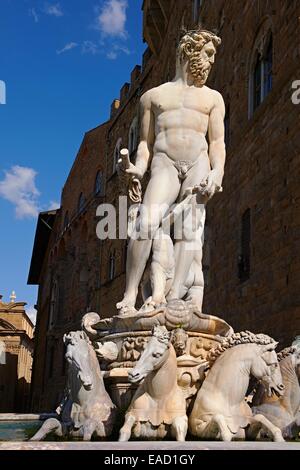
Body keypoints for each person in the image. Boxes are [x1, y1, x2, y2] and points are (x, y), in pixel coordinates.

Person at [117, 29, 226, 314]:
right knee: (145, 224)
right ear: (189, 51)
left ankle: (175, 296)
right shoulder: (152, 98)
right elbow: (145, 144)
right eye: (209, 54)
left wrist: (218, 173)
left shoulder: (213, 98)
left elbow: (217, 143)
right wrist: (137, 169)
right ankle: (129, 296)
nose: (212, 62)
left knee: (190, 231)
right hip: (164, 164)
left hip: (198, 162)